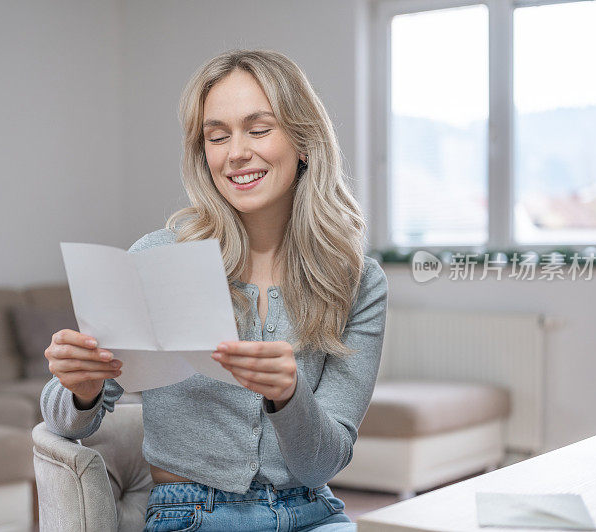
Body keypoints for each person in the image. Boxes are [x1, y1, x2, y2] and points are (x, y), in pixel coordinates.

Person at [40, 49, 388, 531]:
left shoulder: (356, 280)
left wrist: (289, 397)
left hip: (313, 512)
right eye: (217, 136)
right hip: (192, 515)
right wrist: (79, 390)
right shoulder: (160, 258)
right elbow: (62, 421)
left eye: (259, 129)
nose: (235, 152)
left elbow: (324, 464)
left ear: (304, 141)